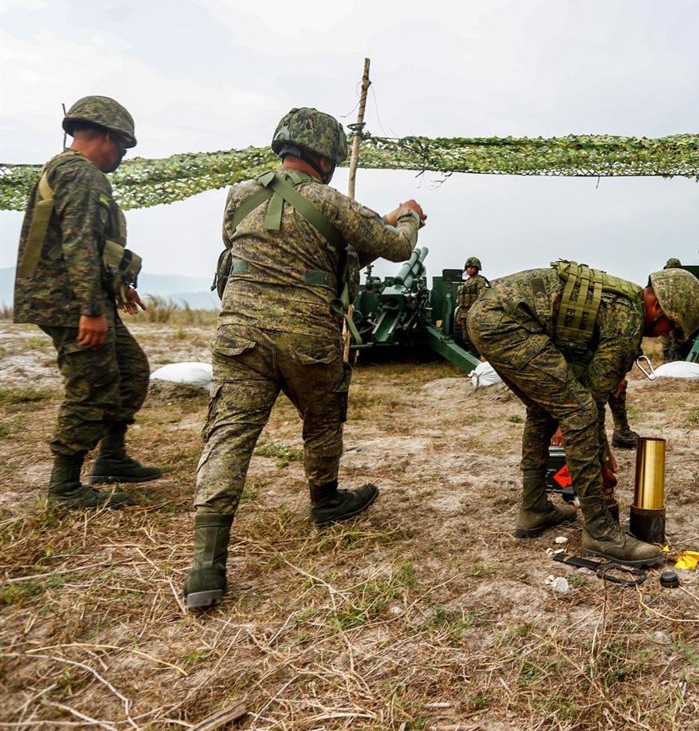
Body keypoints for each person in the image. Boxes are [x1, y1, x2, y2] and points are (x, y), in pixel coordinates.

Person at [184, 107, 427, 610]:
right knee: (322, 419)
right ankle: (325, 501)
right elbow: (398, 248)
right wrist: (407, 216)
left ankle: (206, 565)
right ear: (326, 158)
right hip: (307, 338)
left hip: (239, 336)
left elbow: (280, 245)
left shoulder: (239, 196)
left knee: (228, 434)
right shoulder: (330, 201)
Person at [467, 261, 699, 566]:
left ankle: (533, 508)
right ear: (658, 306)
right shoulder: (627, 321)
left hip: (491, 317)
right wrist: (601, 461)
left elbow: (590, 388)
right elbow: (590, 404)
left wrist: (601, 453)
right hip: (504, 323)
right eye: (669, 327)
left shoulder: (624, 303)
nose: (663, 335)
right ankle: (599, 531)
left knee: (544, 408)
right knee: (577, 410)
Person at [12, 96, 160, 509]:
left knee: (130, 371)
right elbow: (78, 244)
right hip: (68, 302)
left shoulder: (64, 170)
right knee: (92, 385)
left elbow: (88, 246)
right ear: (109, 137)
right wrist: (91, 310)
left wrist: (117, 287)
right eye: (123, 148)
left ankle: (111, 457)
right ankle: (64, 487)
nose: (122, 157)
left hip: (75, 295)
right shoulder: (82, 175)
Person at [659, 258, 693, 362]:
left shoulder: (663, 279)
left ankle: (670, 359)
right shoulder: (684, 279)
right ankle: (672, 358)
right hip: (675, 312)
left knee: (670, 335)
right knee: (672, 335)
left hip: (669, 312)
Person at [454, 256, 490, 352]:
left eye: (472, 267)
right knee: (465, 336)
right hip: (464, 313)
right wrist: (459, 315)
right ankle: (470, 352)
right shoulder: (467, 281)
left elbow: (481, 296)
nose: (470, 269)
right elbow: (461, 300)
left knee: (474, 336)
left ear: (477, 269)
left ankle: (476, 353)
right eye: (468, 267)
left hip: (473, 311)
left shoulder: (480, 280)